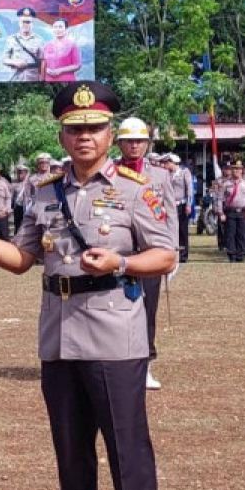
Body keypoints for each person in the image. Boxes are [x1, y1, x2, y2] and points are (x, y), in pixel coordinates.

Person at [0, 81, 178, 490]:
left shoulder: (136, 188)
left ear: (109, 133)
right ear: (62, 134)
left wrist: (123, 263)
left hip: (113, 335)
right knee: (71, 453)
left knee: (128, 452)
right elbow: (21, 258)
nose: (84, 136)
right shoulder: (43, 191)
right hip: (59, 337)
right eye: (74, 129)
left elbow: (166, 254)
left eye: (94, 128)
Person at [113, 116, 173, 390]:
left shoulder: (160, 175)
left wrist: (170, 253)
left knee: (148, 310)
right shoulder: (110, 173)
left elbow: (169, 214)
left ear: (148, 143)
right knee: (116, 308)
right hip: (120, 251)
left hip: (150, 253)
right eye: (128, 141)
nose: (134, 146)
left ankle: (146, 363)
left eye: (139, 141)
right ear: (119, 144)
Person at [216, 161, 245, 262]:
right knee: (230, 234)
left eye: (238, 169)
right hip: (230, 212)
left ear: (242, 171)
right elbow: (220, 199)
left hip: (242, 211)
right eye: (234, 169)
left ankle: (240, 254)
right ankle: (232, 254)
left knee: (241, 234)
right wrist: (221, 213)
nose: (236, 171)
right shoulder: (226, 184)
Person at [2, 7, 43, 82]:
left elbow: (43, 61)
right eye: (23, 22)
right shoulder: (11, 39)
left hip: (33, 79)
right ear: (19, 23)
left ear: (32, 23)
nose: (25, 25)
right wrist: (14, 62)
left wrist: (42, 79)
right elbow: (4, 59)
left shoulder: (39, 40)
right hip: (15, 78)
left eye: (28, 22)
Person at [40, 18, 81, 82]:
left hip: (66, 80)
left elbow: (77, 65)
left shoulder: (72, 45)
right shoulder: (47, 45)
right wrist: (46, 70)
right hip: (48, 81)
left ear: (66, 29)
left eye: (60, 27)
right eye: (55, 27)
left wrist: (60, 70)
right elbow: (43, 63)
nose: (58, 29)